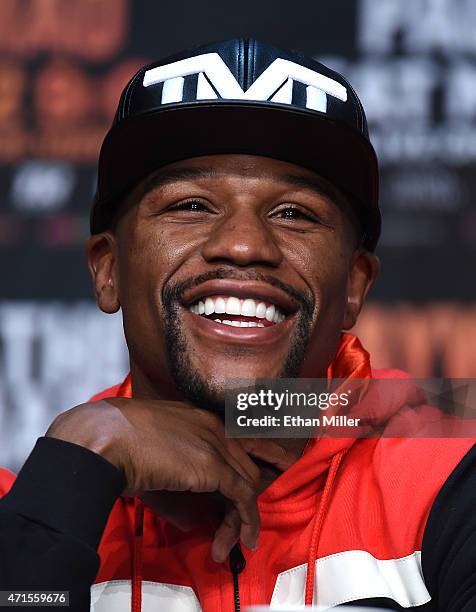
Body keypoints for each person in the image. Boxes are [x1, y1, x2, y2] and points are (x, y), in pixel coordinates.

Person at [0, 39, 475, 612]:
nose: (246, 245)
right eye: (191, 206)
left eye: (294, 213)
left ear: (353, 286)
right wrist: (77, 466)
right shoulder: (28, 506)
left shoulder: (450, 481)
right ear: (108, 270)